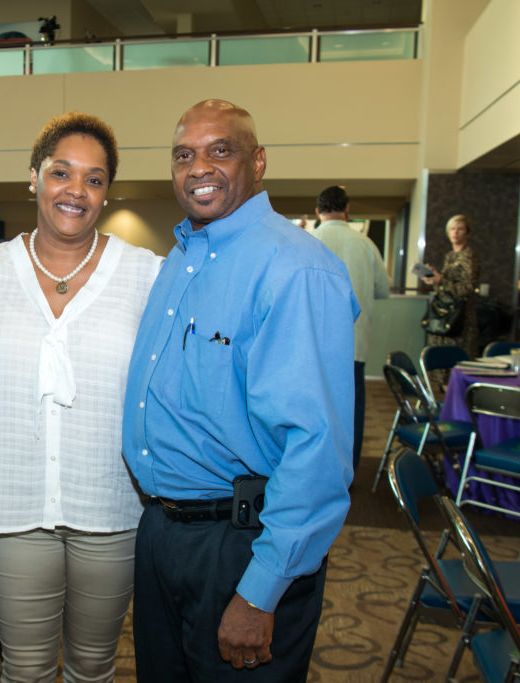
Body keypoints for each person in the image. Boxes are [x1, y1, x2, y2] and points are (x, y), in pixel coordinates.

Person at [122, 100, 359, 681]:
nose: (198, 166)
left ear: (258, 162)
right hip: (162, 534)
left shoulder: (296, 267)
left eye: (219, 150)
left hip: (241, 545)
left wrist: (261, 592)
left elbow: (316, 447)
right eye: (184, 155)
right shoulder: (181, 260)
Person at [0, 112, 162, 682]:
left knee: (92, 668)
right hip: (14, 507)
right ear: (33, 178)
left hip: (109, 505)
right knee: (25, 671)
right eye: (61, 172)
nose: (75, 190)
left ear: (107, 192)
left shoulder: (145, 275)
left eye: (94, 178)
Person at [312, 185, 390, 474]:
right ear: (347, 210)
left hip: (313, 343)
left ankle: (317, 467)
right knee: (352, 406)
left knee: (315, 405)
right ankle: (349, 469)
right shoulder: (365, 244)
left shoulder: (307, 240)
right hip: (354, 342)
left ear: (318, 211)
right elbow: (383, 289)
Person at [422, 214, 479, 357]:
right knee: (437, 356)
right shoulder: (450, 255)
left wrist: (441, 280)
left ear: (467, 233)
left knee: (453, 359)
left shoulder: (469, 256)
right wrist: (433, 277)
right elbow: (447, 283)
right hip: (443, 312)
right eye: (452, 229)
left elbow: (467, 288)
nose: (455, 232)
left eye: (460, 229)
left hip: (458, 317)